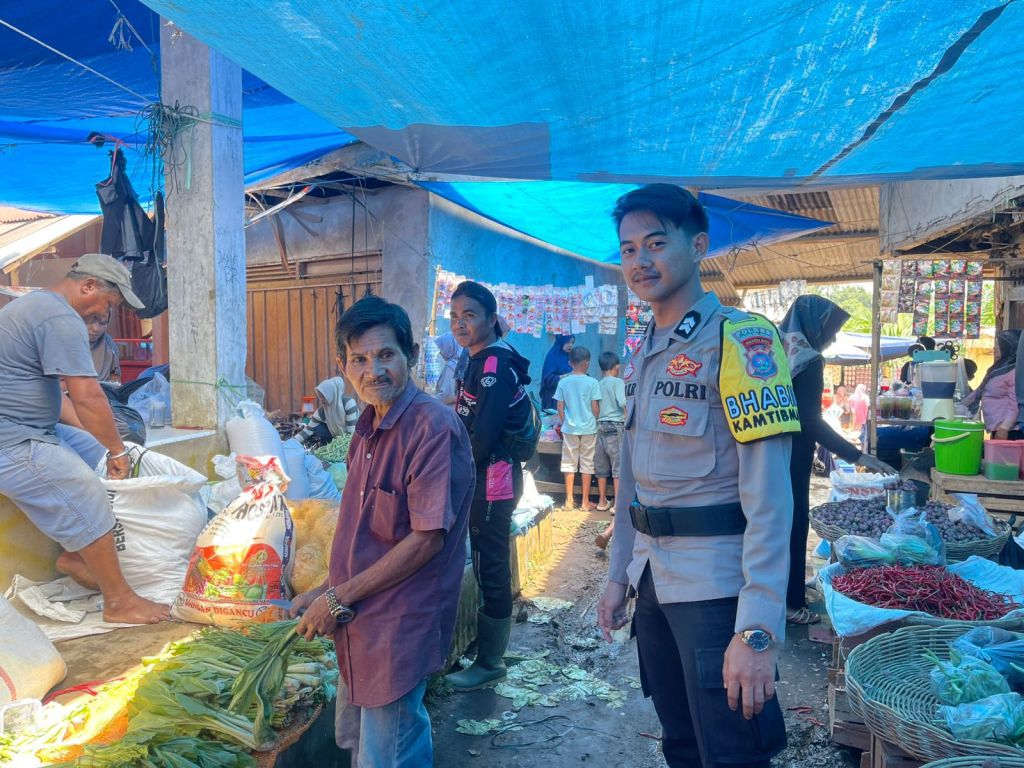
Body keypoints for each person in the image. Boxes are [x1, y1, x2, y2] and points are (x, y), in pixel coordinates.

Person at [598, 184, 797, 768]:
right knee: (680, 742)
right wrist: (618, 577)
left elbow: (771, 497)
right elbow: (633, 480)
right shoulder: (645, 350)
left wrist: (758, 627)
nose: (640, 260)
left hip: (717, 589)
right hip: (655, 582)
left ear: (699, 245)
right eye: (629, 249)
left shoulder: (743, 340)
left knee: (731, 752)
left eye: (656, 243)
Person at [291, 296, 473, 767]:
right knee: (358, 742)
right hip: (359, 619)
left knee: (388, 754)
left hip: (398, 622)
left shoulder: (432, 427)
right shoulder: (368, 426)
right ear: (343, 366)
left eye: (386, 355)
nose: (374, 370)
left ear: (410, 353)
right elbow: (366, 533)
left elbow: (426, 539)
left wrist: (337, 597)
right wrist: (326, 589)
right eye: (360, 359)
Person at [0, 254, 167, 624]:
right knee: (83, 484)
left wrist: (102, 444)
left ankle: (77, 555)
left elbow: (57, 399)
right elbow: (88, 395)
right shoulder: (59, 318)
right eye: (109, 303)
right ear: (87, 285)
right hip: (10, 438)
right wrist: (116, 448)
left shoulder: (45, 308)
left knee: (92, 454)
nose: (106, 314)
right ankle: (119, 601)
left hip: (34, 426)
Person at [779, 295, 895, 625]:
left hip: (762, 453)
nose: (832, 339)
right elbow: (810, 421)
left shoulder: (772, 346)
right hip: (795, 455)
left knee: (767, 526)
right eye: (830, 330)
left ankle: (771, 595)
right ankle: (790, 604)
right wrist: (859, 456)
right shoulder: (810, 359)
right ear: (815, 327)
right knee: (795, 522)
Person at [445, 281, 533, 691]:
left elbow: (483, 436)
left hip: (492, 479)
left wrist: (451, 472)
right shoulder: (481, 359)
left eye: (470, 315)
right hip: (490, 475)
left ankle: (490, 661)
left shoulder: (493, 364)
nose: (460, 324)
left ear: (491, 320)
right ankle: (492, 650)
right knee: (490, 560)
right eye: (455, 316)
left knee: (488, 564)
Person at [555, 346, 601, 511]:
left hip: (570, 428)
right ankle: (585, 502)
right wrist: (595, 418)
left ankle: (568, 501)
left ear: (569, 363)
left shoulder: (563, 382)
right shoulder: (593, 382)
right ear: (587, 364)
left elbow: (560, 407)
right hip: (589, 428)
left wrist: (565, 421)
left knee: (569, 463)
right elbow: (595, 407)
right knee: (587, 464)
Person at [962, 329, 1022, 439]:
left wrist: (1005, 427)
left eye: (999, 345)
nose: (994, 348)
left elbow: (1015, 404)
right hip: (996, 427)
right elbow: (979, 391)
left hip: (1010, 431)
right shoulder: (998, 368)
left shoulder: (1015, 372)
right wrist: (958, 405)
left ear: (1009, 347)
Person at [594, 350, 626, 550]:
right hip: (616, 426)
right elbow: (623, 403)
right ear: (617, 367)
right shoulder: (618, 383)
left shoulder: (598, 383)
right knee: (618, 466)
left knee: (602, 466)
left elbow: (595, 407)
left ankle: (602, 501)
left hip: (601, 425)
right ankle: (616, 504)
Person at [294, 377, 359, 448]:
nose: (321, 400)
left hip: (357, 434)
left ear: (331, 394)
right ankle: (329, 444)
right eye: (320, 397)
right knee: (317, 428)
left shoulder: (348, 404)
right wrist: (292, 442)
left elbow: (351, 432)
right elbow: (308, 430)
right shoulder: (322, 411)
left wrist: (345, 447)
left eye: (323, 397)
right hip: (338, 437)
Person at [539, 333, 575, 410]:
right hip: (553, 397)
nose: (570, 345)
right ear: (561, 341)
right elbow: (548, 379)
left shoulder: (570, 356)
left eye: (572, 342)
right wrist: (566, 376)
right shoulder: (552, 356)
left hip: (566, 396)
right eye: (568, 342)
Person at [87, 308, 121, 384]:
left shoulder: (109, 344)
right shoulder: (63, 342)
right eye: (90, 322)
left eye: (103, 323)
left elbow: (115, 377)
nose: (96, 329)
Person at [433, 331, 462, 405]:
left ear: (449, 347)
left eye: (442, 348)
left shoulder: (451, 367)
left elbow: (447, 396)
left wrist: (429, 400)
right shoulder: (460, 363)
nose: (440, 352)